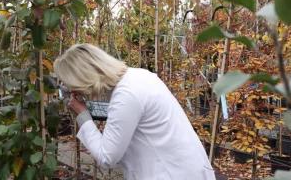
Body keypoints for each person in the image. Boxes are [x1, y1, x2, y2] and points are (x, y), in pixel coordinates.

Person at [53, 44, 215, 179]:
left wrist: (82, 115)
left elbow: (107, 157)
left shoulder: (126, 94)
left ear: (83, 77)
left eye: (72, 83)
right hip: (185, 169)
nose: (72, 89)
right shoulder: (139, 77)